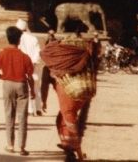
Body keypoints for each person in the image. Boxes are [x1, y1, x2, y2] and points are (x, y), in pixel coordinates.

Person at [40, 20, 98, 161]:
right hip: (84, 92)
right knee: (62, 118)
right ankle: (68, 145)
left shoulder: (51, 66)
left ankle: (76, 152)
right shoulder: (79, 52)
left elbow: (44, 86)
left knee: (68, 118)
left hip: (69, 93)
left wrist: (43, 102)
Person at [0, 25, 35, 156]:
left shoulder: (1, 54)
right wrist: (32, 90)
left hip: (7, 84)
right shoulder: (25, 57)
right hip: (21, 84)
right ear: (19, 40)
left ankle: (10, 145)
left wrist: (4, 77)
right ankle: (21, 147)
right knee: (22, 117)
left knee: (9, 114)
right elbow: (30, 77)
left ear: (7, 38)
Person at [16, 19, 43, 116]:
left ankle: (30, 110)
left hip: (24, 66)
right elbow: (38, 52)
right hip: (34, 65)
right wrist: (34, 63)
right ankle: (38, 108)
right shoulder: (33, 38)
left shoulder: (19, 39)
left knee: (27, 88)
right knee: (36, 86)